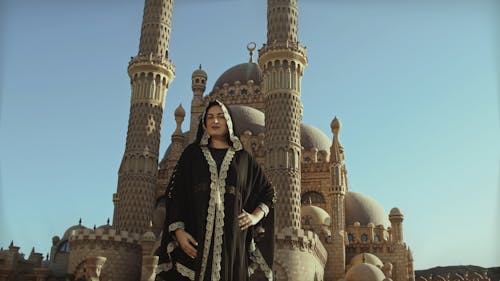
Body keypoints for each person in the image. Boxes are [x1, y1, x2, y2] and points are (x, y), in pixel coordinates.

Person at [156, 100, 276, 281]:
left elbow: (268, 191)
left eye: (221, 116)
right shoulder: (192, 154)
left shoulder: (243, 159)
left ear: (229, 122)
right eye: (210, 117)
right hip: (196, 237)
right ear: (204, 122)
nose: (215, 121)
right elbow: (175, 194)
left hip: (232, 242)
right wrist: (178, 232)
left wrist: (254, 217)